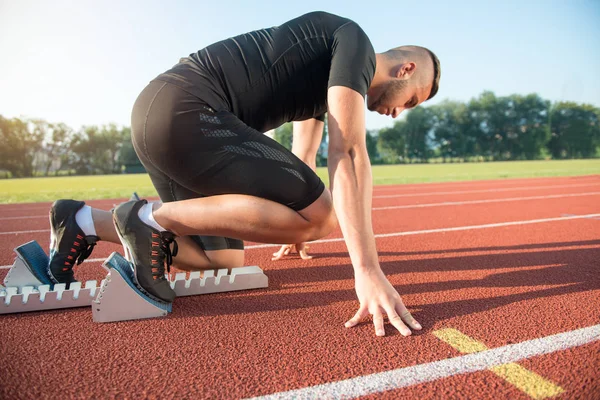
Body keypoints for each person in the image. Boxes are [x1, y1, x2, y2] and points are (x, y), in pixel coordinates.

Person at [47, 11, 440, 337]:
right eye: (411, 101)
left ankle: (83, 221)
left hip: (159, 117)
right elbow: (349, 153)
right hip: (187, 111)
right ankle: (148, 219)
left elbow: (303, 156)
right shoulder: (354, 41)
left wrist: (292, 229)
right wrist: (366, 269)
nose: (399, 112)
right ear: (405, 70)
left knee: (221, 257)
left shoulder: (334, 81)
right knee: (323, 216)